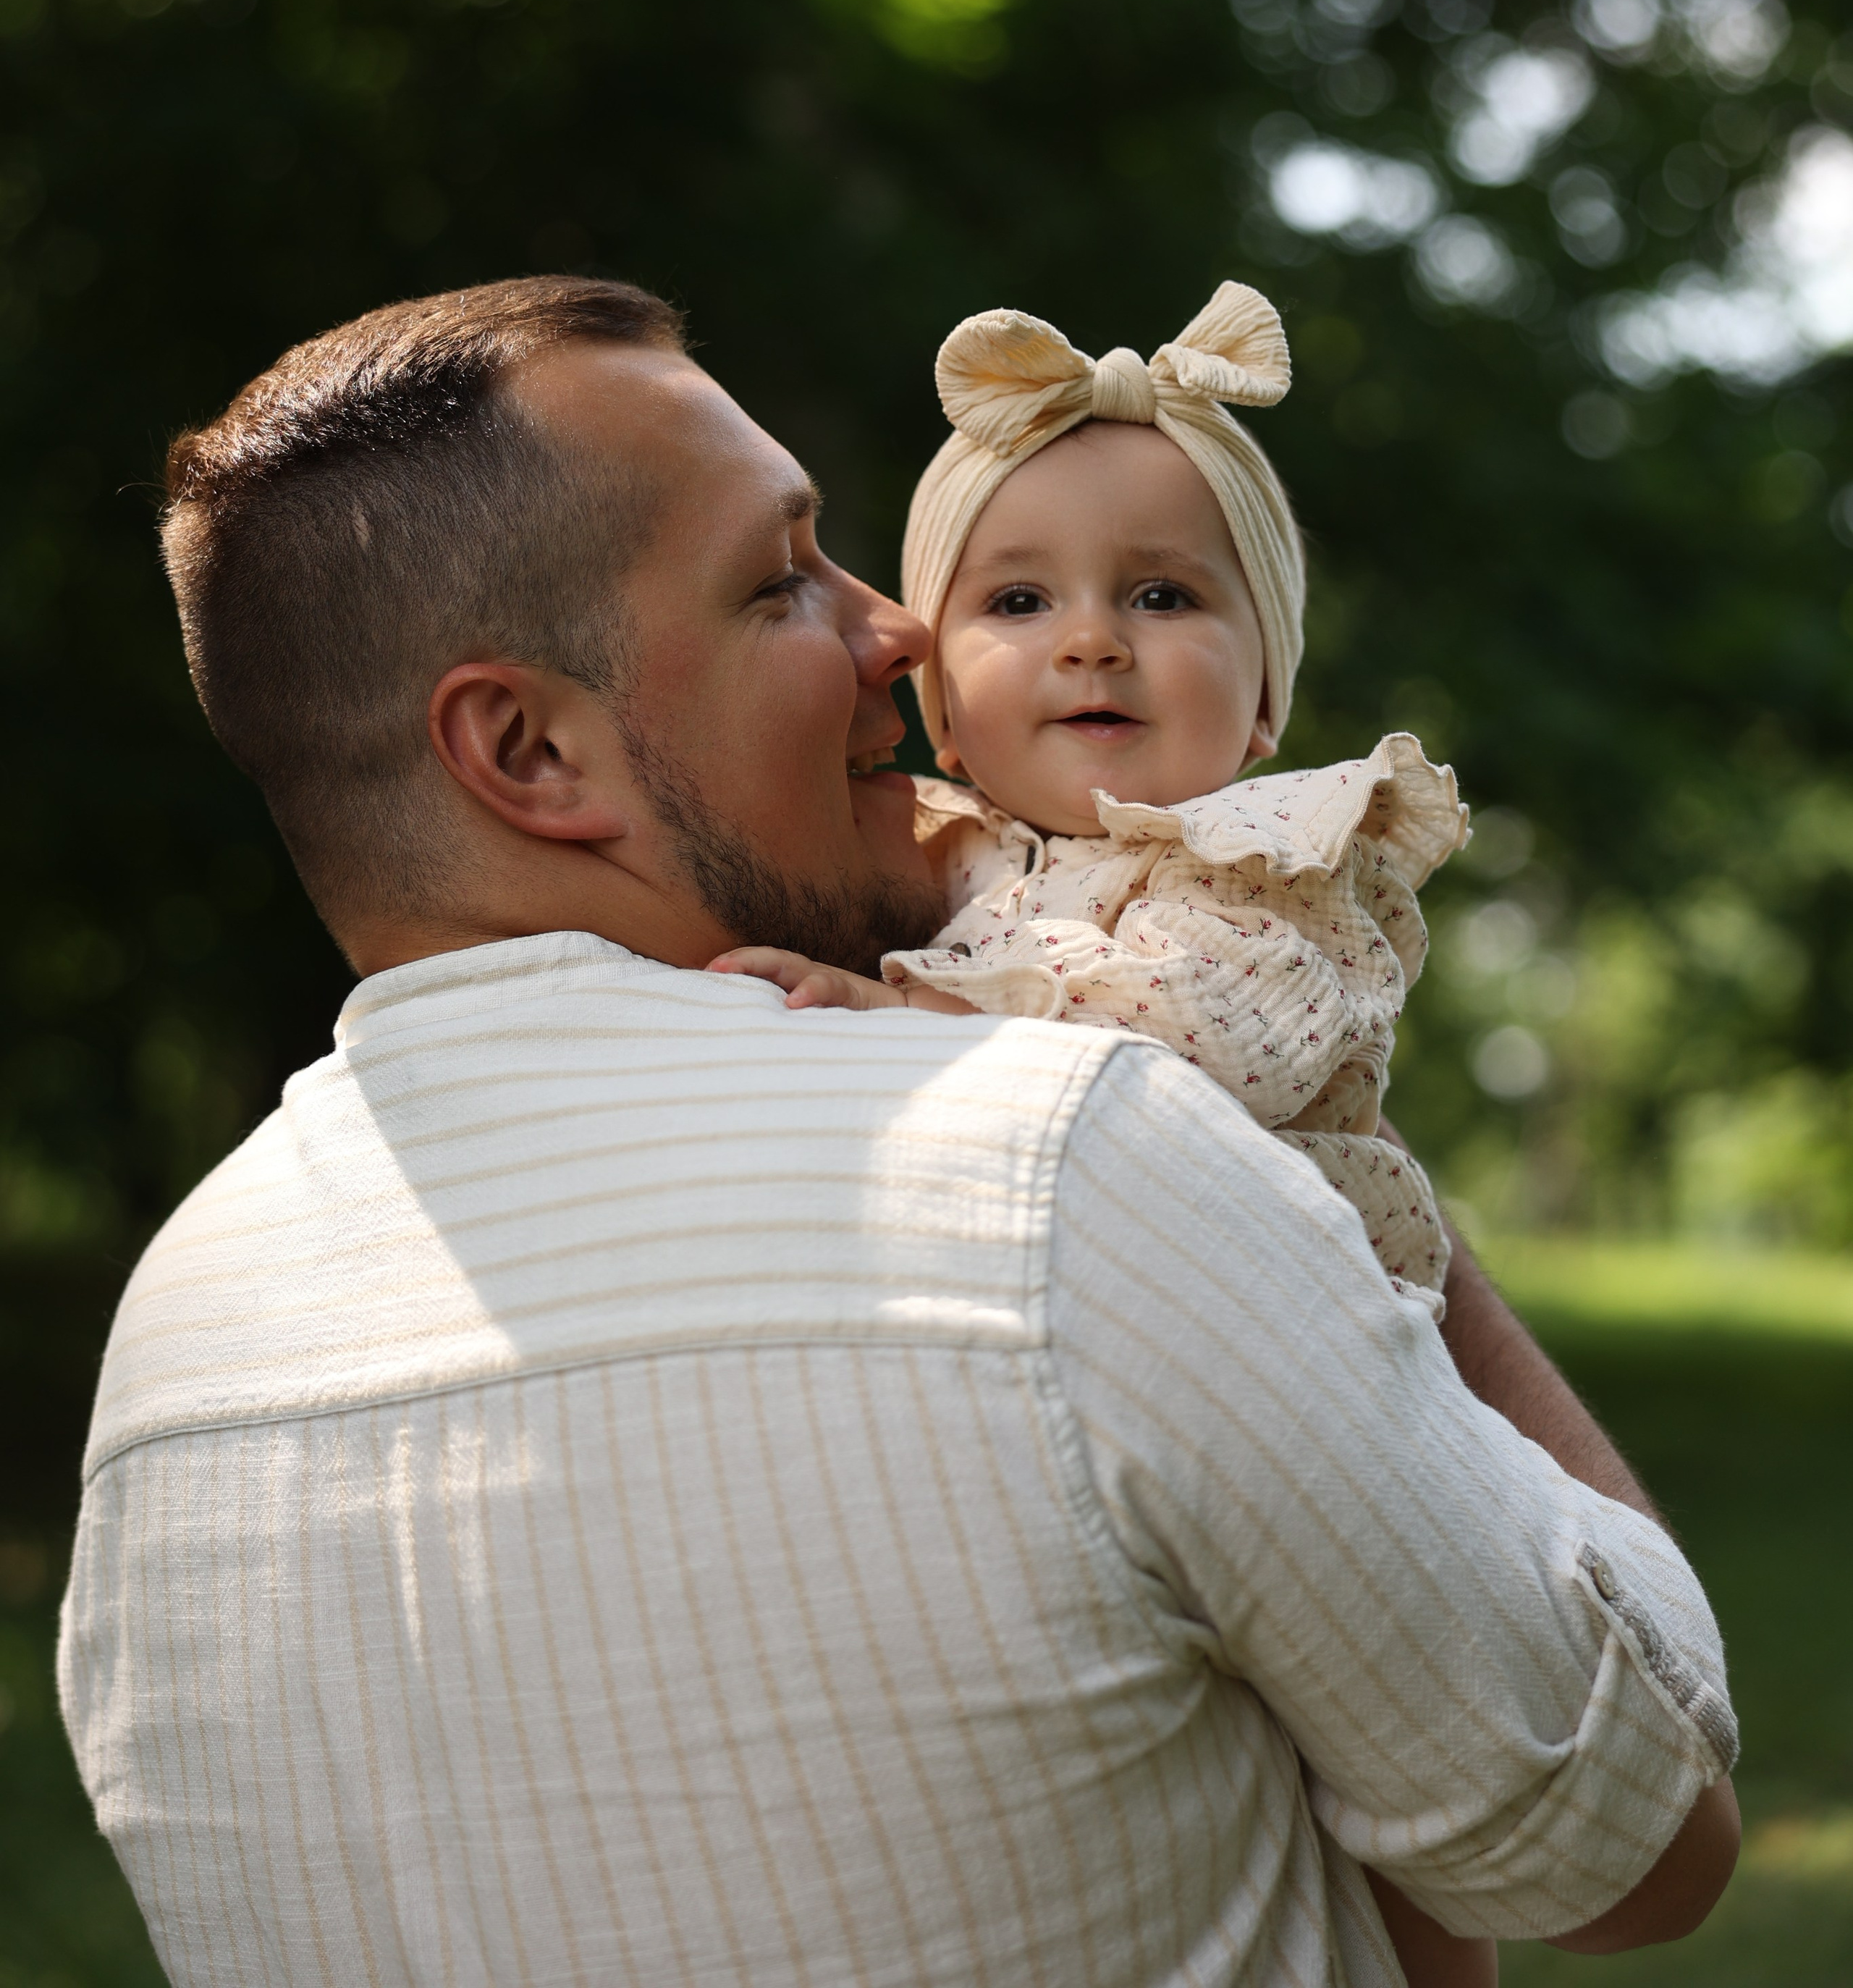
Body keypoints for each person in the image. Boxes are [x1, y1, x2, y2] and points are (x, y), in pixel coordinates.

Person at [59, 275, 1741, 1988]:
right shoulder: (1070, 1169)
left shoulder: (166, 1360)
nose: (905, 634)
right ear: (528, 752)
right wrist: (1348, 1205)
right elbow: (1632, 1840)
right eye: (782, 581)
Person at [717, 282, 1463, 1307]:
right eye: (1019, 601)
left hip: (1284, 1310)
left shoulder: (1264, 861)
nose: (1093, 642)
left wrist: (911, 1010)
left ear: (1262, 699)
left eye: (1163, 596)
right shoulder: (930, 851)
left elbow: (1220, 1046)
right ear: (944, 718)